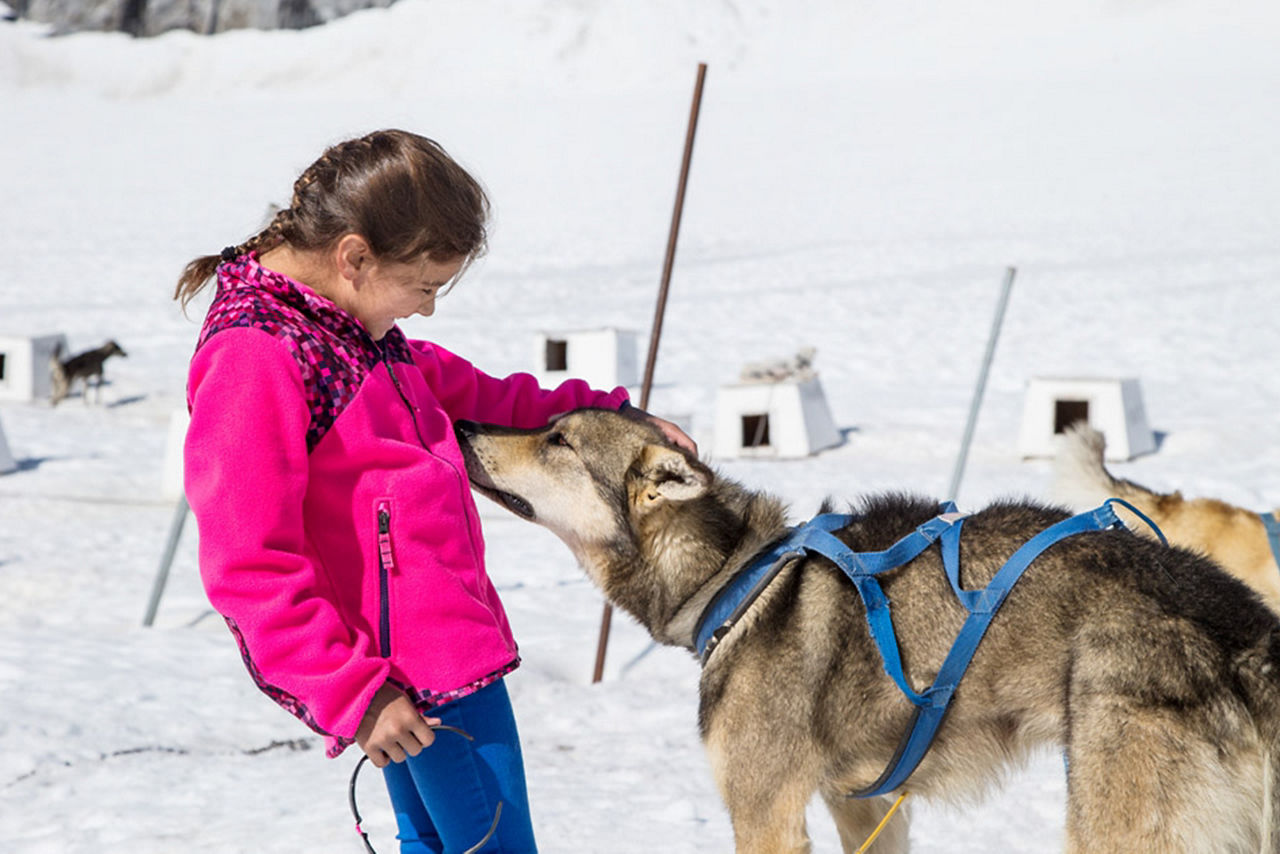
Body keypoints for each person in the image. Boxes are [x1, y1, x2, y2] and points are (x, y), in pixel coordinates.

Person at [174, 129, 695, 853]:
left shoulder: (349, 324)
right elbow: (250, 562)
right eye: (422, 286)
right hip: (418, 682)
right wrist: (351, 693)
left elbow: (479, 396)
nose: (426, 309)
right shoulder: (258, 357)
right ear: (354, 256)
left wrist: (613, 419)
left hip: (425, 662)